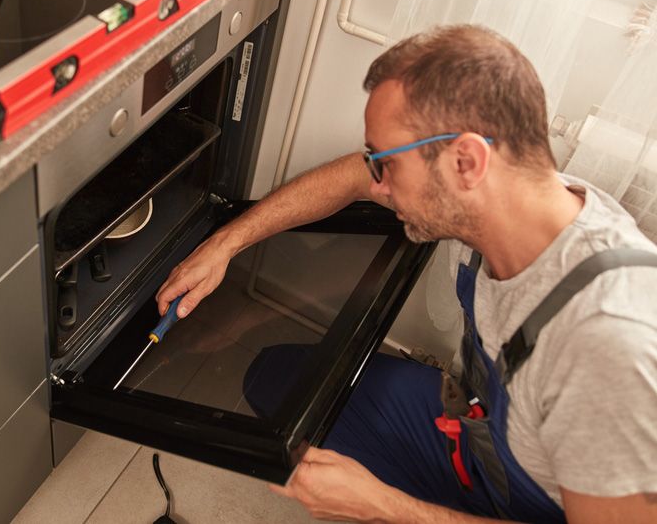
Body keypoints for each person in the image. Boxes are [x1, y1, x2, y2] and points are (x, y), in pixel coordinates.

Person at [155, 25, 657, 523]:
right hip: (480, 437)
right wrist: (224, 244)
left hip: (541, 505)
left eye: (386, 164)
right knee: (276, 382)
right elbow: (353, 175)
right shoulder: (518, 195)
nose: (377, 182)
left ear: (466, 161)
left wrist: (384, 507)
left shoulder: (607, 343)